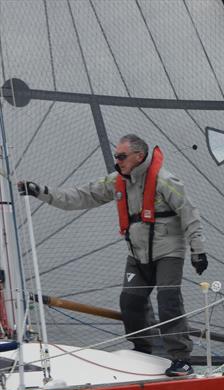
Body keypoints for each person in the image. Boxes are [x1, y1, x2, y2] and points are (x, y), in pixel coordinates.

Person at [17, 134, 206, 377]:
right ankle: (143, 350)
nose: (118, 161)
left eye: (122, 156)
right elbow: (79, 196)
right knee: (130, 302)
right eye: (116, 156)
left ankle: (181, 359)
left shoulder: (165, 180)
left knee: (168, 302)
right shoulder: (117, 181)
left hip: (168, 252)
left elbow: (189, 213)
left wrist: (198, 250)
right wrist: (40, 191)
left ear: (139, 156)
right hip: (137, 255)